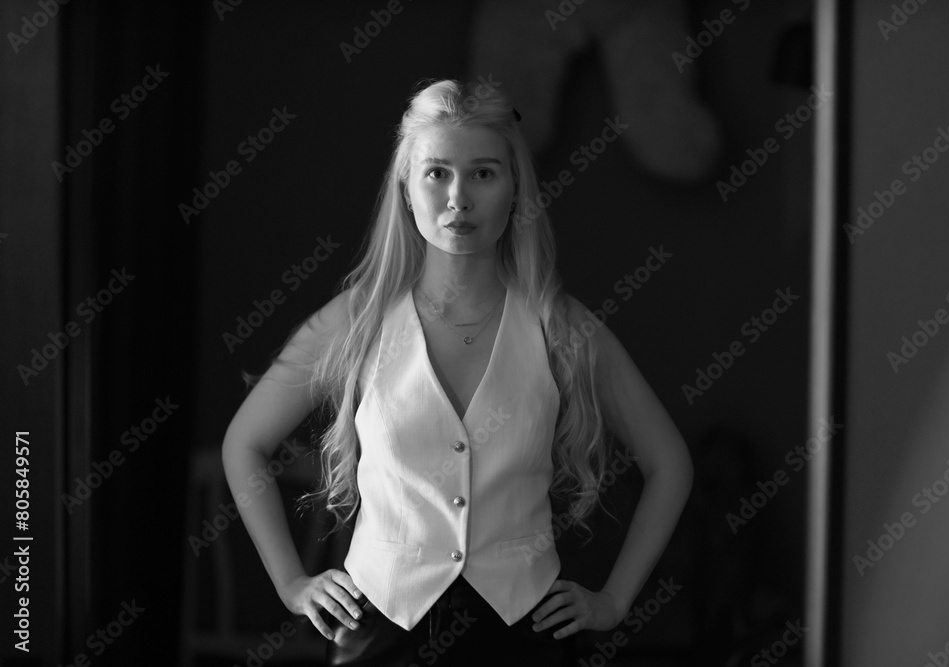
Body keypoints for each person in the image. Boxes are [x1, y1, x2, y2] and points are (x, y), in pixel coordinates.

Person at [221, 78, 693, 666]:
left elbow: (669, 463)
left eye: (484, 174)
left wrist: (615, 601)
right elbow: (245, 443)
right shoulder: (356, 322)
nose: (458, 199)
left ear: (515, 188)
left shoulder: (563, 328)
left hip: (527, 636)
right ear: (405, 186)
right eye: (437, 172)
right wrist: (293, 584)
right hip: (380, 634)